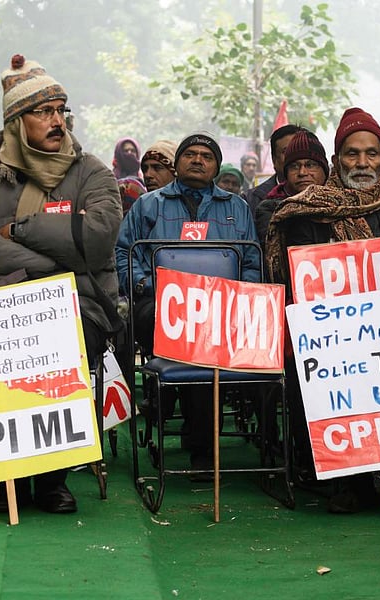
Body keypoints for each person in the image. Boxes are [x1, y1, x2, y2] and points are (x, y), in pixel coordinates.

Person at [265, 107, 380, 514]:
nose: (362, 163)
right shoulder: (311, 209)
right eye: (352, 154)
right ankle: (352, 481)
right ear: (336, 160)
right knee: (313, 372)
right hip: (338, 335)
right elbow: (301, 278)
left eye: (371, 153)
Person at [0, 54, 121, 514]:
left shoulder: (91, 172)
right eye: (43, 112)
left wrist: (20, 232)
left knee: (65, 339)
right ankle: (3, 477)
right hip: (0, 299)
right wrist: (49, 266)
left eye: (60, 111)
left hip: (78, 301)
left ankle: (51, 479)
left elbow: (97, 237)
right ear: (14, 121)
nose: (56, 121)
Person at [116, 132, 259, 477]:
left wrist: (240, 294)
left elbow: (253, 260)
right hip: (161, 304)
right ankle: (198, 445)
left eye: (206, 156)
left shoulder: (236, 207)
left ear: (216, 165)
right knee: (192, 337)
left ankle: (170, 406)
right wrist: (144, 285)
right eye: (190, 155)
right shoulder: (149, 204)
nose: (198, 160)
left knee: (203, 334)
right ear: (177, 164)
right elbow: (124, 253)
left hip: (222, 308)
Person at [254, 128, 329, 249]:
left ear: (324, 170)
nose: (302, 172)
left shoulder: (344, 205)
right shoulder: (270, 209)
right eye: (294, 166)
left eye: (310, 165)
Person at [244, 125, 303, 215]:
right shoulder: (251, 200)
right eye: (287, 151)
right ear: (274, 160)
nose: (295, 157)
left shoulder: (326, 197)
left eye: (300, 150)